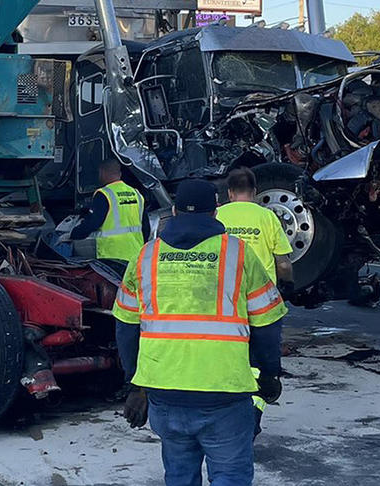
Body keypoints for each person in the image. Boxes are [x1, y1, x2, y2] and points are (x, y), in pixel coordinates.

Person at [120, 179, 286, 486]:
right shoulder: (239, 255)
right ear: (216, 212)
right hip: (224, 395)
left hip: (164, 394)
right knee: (230, 477)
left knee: (180, 476)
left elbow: (127, 328)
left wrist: (134, 386)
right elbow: (267, 325)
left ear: (173, 211)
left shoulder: (145, 257)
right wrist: (269, 375)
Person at [215, 167, 293, 436]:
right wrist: (288, 286)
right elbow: (283, 263)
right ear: (256, 192)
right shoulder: (267, 217)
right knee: (261, 364)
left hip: (224, 303)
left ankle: (226, 415)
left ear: (228, 192)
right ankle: (253, 415)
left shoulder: (218, 215)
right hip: (261, 305)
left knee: (228, 360)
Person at [69, 159, 148, 382]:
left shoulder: (104, 194)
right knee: (139, 309)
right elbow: (145, 227)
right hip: (136, 257)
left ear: (104, 172)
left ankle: (124, 364)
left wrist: (73, 234)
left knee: (120, 313)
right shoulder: (136, 194)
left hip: (112, 260)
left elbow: (94, 222)